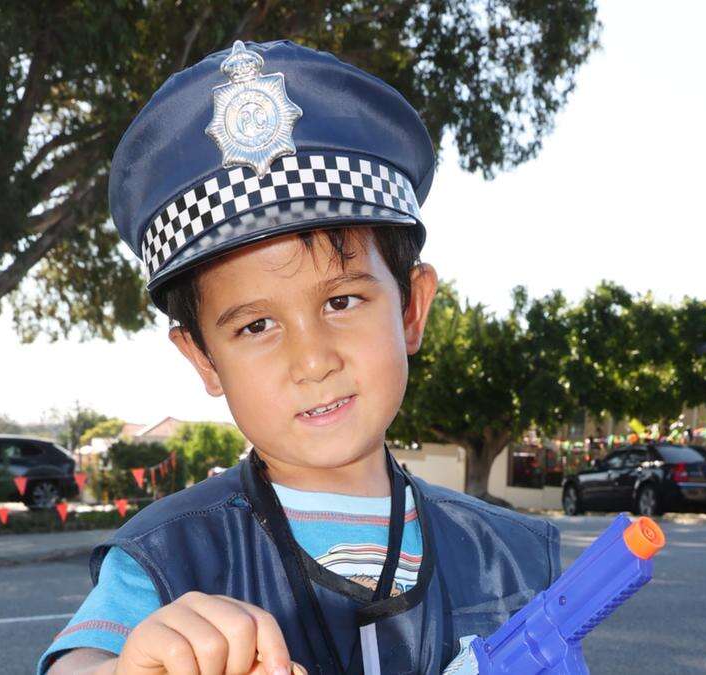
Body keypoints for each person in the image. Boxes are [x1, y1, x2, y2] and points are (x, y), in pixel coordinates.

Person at [40, 40, 561, 675]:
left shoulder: (510, 554)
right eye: (256, 325)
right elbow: (79, 662)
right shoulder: (167, 555)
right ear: (203, 358)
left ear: (411, 309)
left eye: (342, 301)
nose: (312, 361)